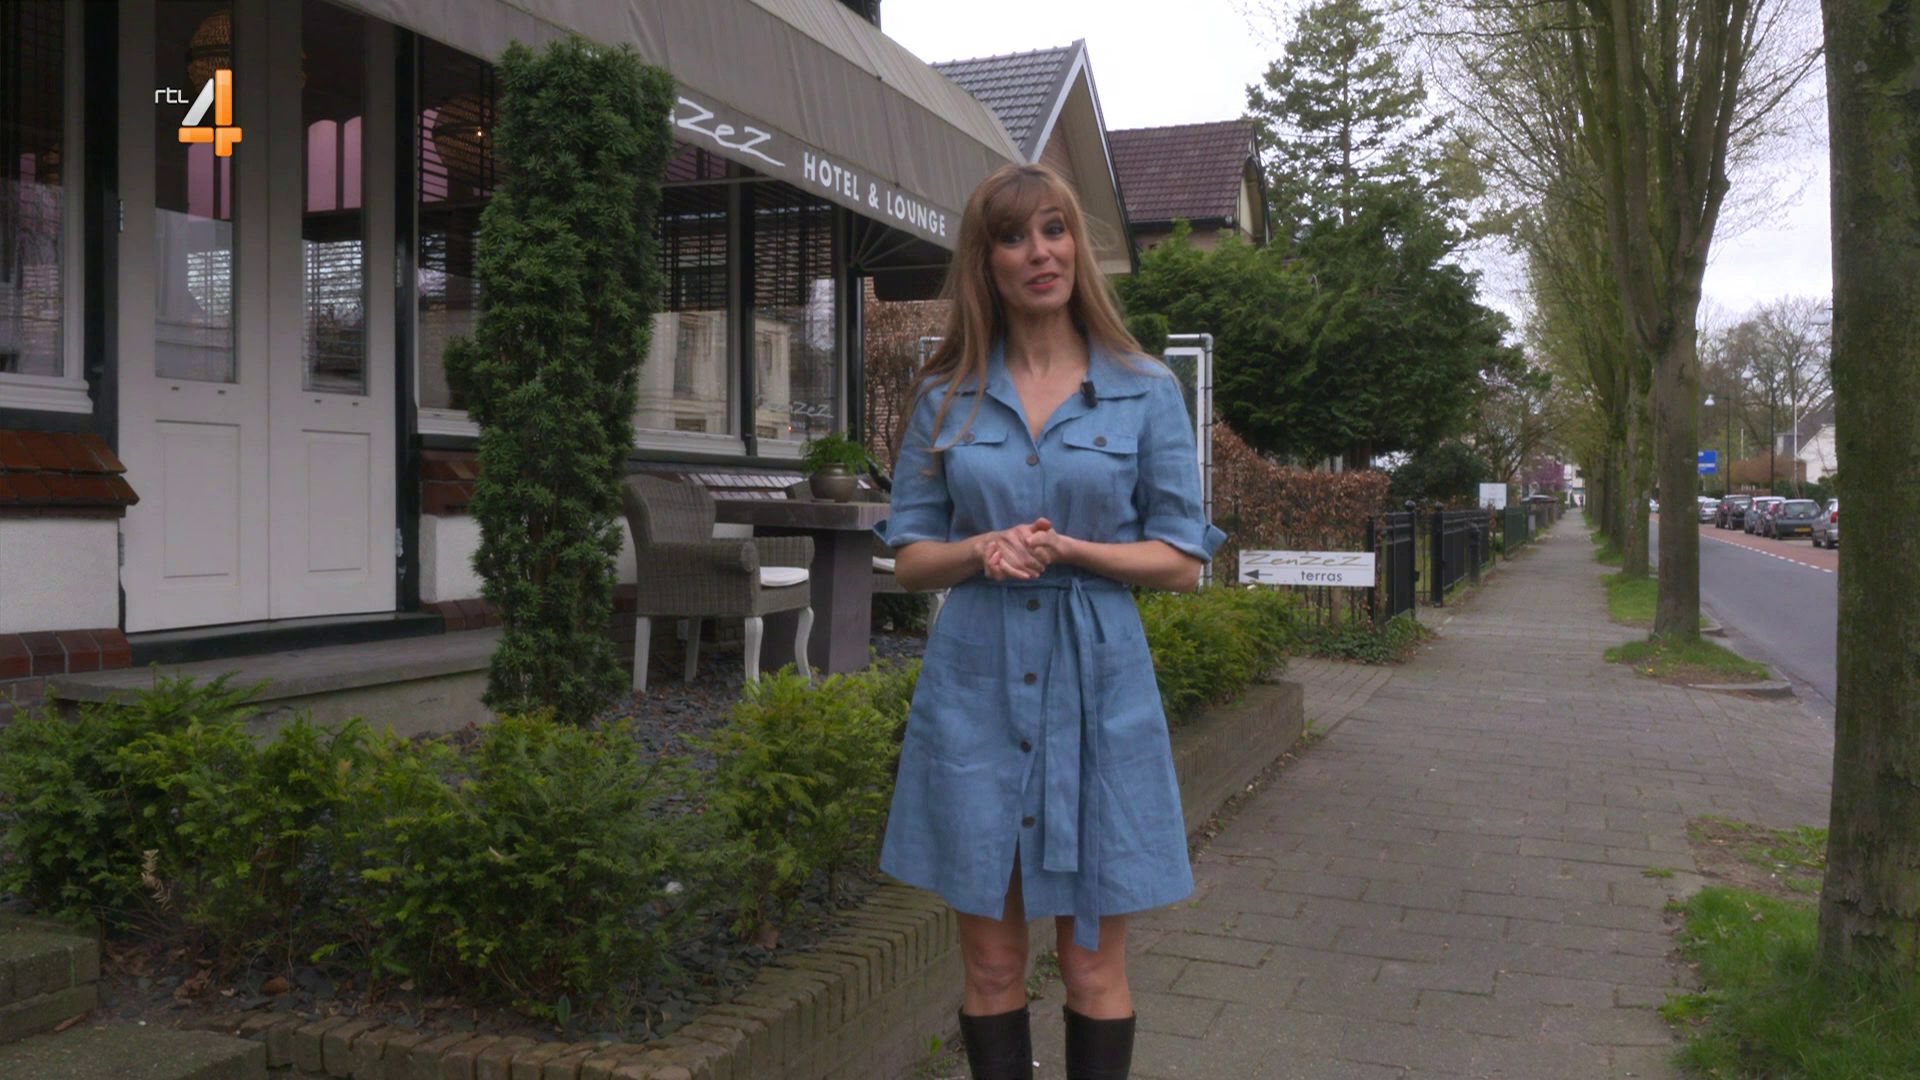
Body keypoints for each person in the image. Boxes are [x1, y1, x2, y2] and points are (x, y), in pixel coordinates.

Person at [873, 163, 1225, 1080]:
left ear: (1078, 248)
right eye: (1015, 236)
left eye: (1056, 230)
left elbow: (1182, 561)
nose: (1041, 253)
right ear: (985, 261)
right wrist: (980, 547)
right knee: (992, 966)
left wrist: (1071, 549)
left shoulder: (1144, 390)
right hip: (977, 688)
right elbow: (911, 560)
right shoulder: (945, 395)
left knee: (1092, 967)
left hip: (1098, 688)